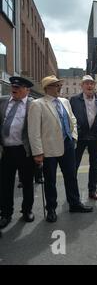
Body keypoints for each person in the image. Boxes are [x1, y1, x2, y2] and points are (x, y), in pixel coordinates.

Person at [28, 75, 93, 223]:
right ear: (47, 88)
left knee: (71, 176)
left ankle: (74, 203)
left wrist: (74, 136)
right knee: (50, 179)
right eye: (55, 85)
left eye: (59, 85)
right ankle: (51, 208)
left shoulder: (65, 102)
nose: (59, 88)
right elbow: (34, 131)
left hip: (68, 145)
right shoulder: (37, 104)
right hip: (49, 149)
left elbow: (73, 120)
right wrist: (37, 152)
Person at [0, 77, 35, 229]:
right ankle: (6, 213)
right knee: (5, 184)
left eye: (18, 87)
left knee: (27, 182)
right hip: (5, 150)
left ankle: (27, 211)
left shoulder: (33, 105)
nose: (14, 89)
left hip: (24, 150)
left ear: (26, 90)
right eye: (13, 86)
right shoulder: (2, 101)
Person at [70, 75, 97, 201]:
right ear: (82, 86)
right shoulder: (74, 100)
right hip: (80, 137)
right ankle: (73, 193)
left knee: (94, 165)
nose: (89, 85)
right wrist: (74, 133)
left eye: (91, 83)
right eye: (87, 83)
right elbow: (70, 119)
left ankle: (92, 190)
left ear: (94, 85)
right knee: (74, 165)